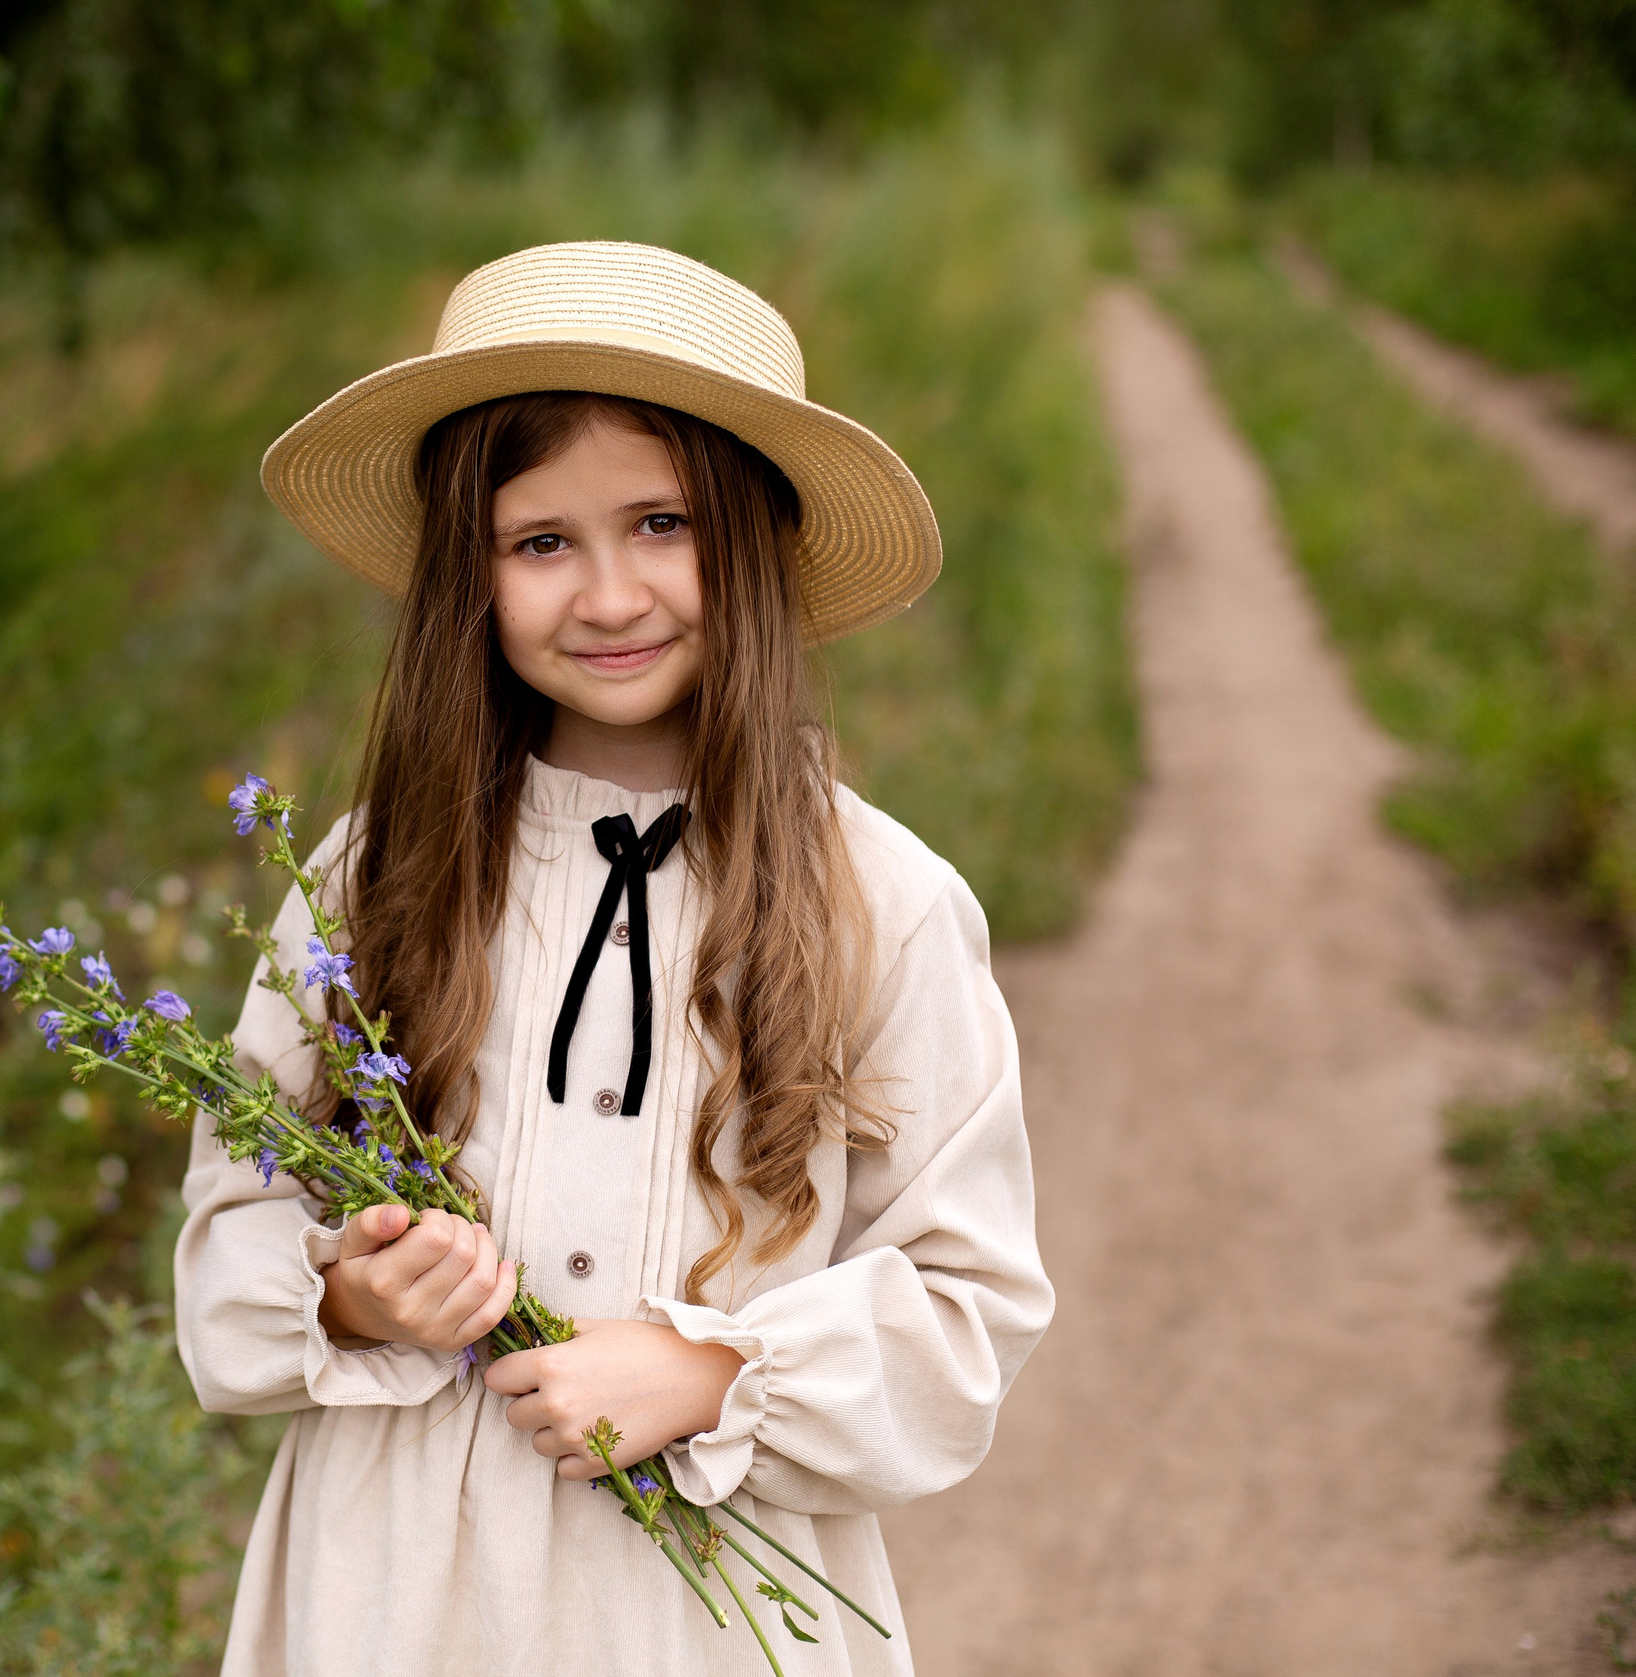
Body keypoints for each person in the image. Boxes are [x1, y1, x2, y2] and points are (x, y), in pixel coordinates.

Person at [174, 240, 1052, 1676]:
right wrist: (352, 1291)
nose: (609, 595)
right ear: (472, 570)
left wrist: (714, 1372)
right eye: (541, 543)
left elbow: (967, 1308)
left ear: (757, 541)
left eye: (662, 524)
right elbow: (229, 1229)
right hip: (396, 1592)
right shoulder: (370, 870)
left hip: (702, 1609)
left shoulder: (881, 900)